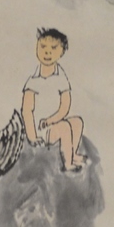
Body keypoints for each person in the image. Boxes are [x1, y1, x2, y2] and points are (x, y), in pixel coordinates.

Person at [22, 28, 85, 172]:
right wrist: (32, 137)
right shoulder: (33, 80)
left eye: (54, 48)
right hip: (40, 130)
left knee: (77, 122)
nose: (47, 52)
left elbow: (65, 106)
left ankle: (72, 154)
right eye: (43, 47)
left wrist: (51, 120)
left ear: (62, 52)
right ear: (37, 47)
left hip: (53, 122)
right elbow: (27, 110)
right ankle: (67, 164)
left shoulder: (61, 76)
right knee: (64, 127)